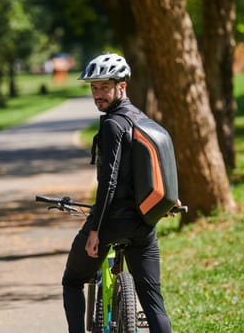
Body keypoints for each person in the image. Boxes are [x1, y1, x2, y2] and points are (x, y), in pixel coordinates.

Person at [62, 53, 172, 333]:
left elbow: (108, 182)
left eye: (104, 87)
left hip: (112, 221)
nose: (97, 94)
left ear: (121, 86)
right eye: (93, 88)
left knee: (73, 281)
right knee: (152, 300)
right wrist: (168, 198)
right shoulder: (142, 118)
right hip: (143, 223)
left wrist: (96, 231)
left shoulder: (113, 124)